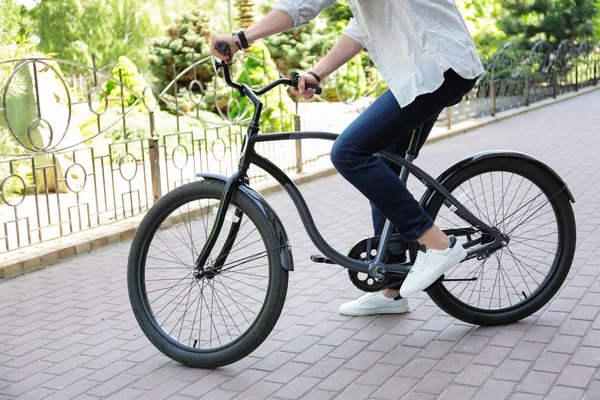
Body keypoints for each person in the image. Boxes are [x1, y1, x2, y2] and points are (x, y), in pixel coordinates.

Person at [211, 1, 485, 316]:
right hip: (430, 71)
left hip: (435, 69)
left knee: (348, 152)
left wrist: (240, 39)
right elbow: (362, 28)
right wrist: (317, 73)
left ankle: (438, 246)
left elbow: (302, 5)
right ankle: (392, 287)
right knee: (382, 168)